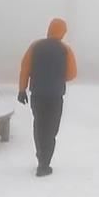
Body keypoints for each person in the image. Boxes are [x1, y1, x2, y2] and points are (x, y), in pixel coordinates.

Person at [18, 18, 78, 177]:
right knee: (51, 129)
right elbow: (72, 74)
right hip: (55, 96)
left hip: (37, 94)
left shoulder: (35, 46)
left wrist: (22, 90)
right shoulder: (65, 50)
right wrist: (58, 76)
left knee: (39, 125)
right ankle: (45, 163)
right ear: (62, 32)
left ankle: (40, 159)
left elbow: (25, 68)